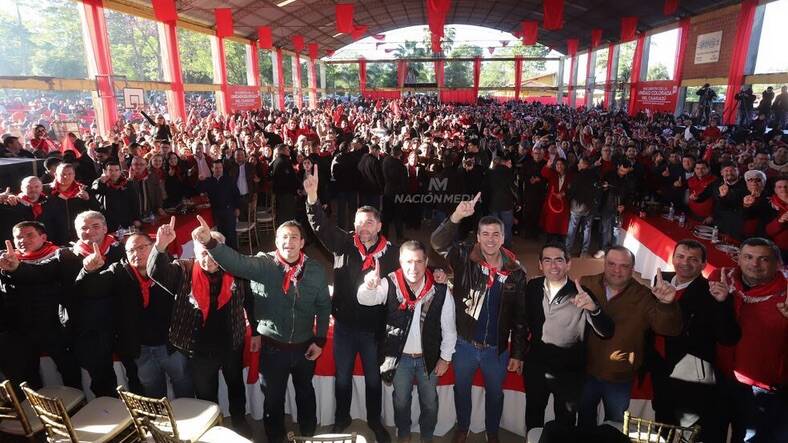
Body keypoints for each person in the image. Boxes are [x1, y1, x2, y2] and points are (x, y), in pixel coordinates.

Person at [191, 216, 331, 443]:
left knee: (306, 393)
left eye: (294, 237)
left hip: (305, 347)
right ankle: (274, 437)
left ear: (302, 243)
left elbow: (324, 306)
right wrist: (210, 243)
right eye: (284, 237)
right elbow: (236, 263)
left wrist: (321, 340)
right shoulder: (264, 264)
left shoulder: (315, 270)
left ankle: (308, 435)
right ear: (276, 242)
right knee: (273, 399)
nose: (289, 242)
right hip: (273, 349)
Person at [303, 164, 396, 442]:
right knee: (342, 378)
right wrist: (312, 198)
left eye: (369, 222)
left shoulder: (391, 255)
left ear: (379, 226)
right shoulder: (343, 243)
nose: (363, 227)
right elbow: (320, 224)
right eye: (359, 221)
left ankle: (374, 422)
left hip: (373, 331)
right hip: (343, 327)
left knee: (372, 380)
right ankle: (342, 418)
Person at [431, 194, 527, 443]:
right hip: (465, 345)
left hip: (496, 350)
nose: (490, 239)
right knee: (461, 390)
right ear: (477, 236)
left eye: (496, 234)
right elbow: (437, 242)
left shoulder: (516, 272)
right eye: (485, 234)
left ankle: (492, 432)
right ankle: (462, 427)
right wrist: (456, 216)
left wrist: (516, 353)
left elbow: (520, 318)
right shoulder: (465, 258)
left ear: (503, 237)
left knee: (495, 395)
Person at [148, 218, 256, 437]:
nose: (209, 258)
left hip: (231, 343)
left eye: (214, 252)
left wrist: (255, 330)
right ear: (195, 252)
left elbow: (250, 303)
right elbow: (156, 272)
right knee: (206, 394)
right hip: (199, 349)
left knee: (236, 386)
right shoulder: (183, 270)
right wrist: (160, 246)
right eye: (203, 252)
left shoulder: (236, 271)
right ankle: (212, 428)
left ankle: (239, 420)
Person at [0, 211, 124, 397]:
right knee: (102, 382)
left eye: (95, 226)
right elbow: (39, 273)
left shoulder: (123, 250)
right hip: (89, 330)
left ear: (105, 228)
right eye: (83, 228)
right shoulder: (65, 256)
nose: (89, 231)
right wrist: (16, 268)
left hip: (123, 325)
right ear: (75, 231)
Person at [356, 241, 456, 443]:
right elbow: (364, 299)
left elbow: (449, 328)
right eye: (409, 261)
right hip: (399, 358)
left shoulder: (440, 290)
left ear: (426, 262)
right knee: (401, 401)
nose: (414, 267)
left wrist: (445, 358)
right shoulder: (390, 283)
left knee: (430, 403)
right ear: (401, 261)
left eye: (419, 261)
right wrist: (369, 285)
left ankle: (427, 437)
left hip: (428, 358)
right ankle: (403, 435)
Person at [578, 246, 683, 426]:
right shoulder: (585, 284)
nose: (616, 270)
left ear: (632, 268)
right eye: (611, 263)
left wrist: (667, 305)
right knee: (584, 422)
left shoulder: (644, 295)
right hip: (585, 371)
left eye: (624, 266)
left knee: (614, 426)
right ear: (604, 263)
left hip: (620, 376)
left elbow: (668, 329)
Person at [648, 240, 740, 443]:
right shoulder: (662, 279)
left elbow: (728, 337)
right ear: (673, 258)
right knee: (662, 418)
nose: (685, 263)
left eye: (693, 259)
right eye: (680, 256)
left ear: (703, 265)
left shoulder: (712, 292)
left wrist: (723, 304)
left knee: (688, 427)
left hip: (689, 374)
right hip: (660, 366)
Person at [523, 243, 614, 433]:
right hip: (537, 368)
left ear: (568, 264)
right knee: (533, 415)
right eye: (547, 260)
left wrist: (594, 309)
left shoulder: (582, 294)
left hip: (569, 373)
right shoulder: (532, 287)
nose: (553, 266)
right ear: (540, 265)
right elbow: (522, 322)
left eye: (559, 260)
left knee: (565, 423)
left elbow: (607, 332)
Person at [712, 238, 788, 443]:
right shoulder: (720, 279)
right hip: (717, 377)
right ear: (738, 259)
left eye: (763, 259)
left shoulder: (786, 294)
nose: (754, 264)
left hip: (760, 388)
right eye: (748, 257)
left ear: (777, 263)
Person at [0, 222, 80, 392]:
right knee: (29, 374)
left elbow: (44, 274)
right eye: (18, 237)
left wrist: (17, 269)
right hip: (20, 328)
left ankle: (78, 406)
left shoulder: (61, 255)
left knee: (68, 369)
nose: (23, 240)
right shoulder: (6, 260)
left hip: (53, 326)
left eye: (29, 235)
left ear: (43, 237)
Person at [197, 160, 241, 250]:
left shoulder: (228, 179)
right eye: (216, 168)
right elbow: (199, 190)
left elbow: (236, 194)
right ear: (212, 169)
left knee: (231, 234)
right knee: (221, 235)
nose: (218, 170)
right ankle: (225, 256)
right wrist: (200, 181)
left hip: (229, 210)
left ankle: (235, 256)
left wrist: (237, 207)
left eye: (220, 168)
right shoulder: (209, 181)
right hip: (216, 211)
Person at [91, 160, 141, 232]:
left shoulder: (127, 183)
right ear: (105, 171)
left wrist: (136, 218)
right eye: (110, 170)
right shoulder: (100, 182)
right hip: (108, 223)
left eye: (116, 170)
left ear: (120, 171)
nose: (114, 173)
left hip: (126, 221)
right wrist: (101, 182)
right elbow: (95, 190)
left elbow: (134, 202)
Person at [565, 157, 599, 257]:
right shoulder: (595, 176)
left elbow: (572, 191)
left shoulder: (577, 176)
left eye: (580, 163)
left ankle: (567, 250)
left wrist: (568, 197)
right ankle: (584, 252)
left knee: (572, 228)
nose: (578, 165)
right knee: (587, 229)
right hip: (590, 206)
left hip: (577, 206)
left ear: (585, 165)